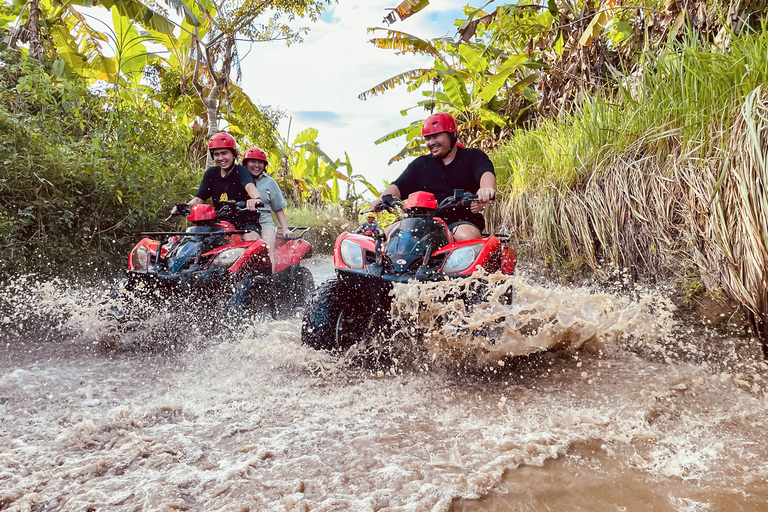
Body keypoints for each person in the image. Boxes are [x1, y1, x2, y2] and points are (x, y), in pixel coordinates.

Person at [370, 112, 496, 242]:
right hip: (419, 220)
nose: (431, 142)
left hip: (459, 221)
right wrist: (382, 199)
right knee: (389, 235)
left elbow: (485, 173)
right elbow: (398, 186)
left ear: (453, 134)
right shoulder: (420, 164)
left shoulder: (473, 157)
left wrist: (486, 188)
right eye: (427, 138)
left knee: (467, 236)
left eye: (436, 136)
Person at [171, 132, 263, 241]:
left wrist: (255, 199)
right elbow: (199, 199)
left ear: (233, 154)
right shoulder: (211, 174)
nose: (220, 158)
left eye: (224, 153)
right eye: (216, 154)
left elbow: (250, 186)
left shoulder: (241, 171)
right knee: (194, 241)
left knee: (251, 240)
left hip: (246, 224)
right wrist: (184, 207)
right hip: (219, 224)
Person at [242, 147, 293, 273]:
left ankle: (270, 283)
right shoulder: (238, 179)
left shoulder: (270, 182)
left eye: (260, 162)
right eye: (253, 162)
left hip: (264, 222)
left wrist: (285, 229)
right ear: (246, 163)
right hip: (242, 222)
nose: (256, 165)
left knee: (266, 249)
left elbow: (278, 208)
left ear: (264, 165)